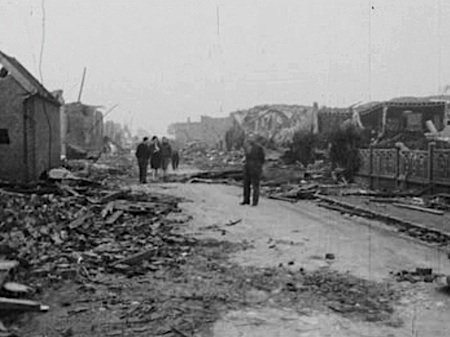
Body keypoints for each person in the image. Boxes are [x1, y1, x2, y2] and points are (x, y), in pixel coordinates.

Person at [240, 134, 265, 206]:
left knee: (255, 186)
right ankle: (246, 200)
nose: (250, 139)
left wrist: (258, 166)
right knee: (246, 184)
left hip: (255, 168)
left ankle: (255, 201)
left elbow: (262, 159)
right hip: (247, 167)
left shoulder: (259, 148)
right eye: (249, 138)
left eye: (251, 138)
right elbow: (245, 156)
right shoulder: (246, 146)